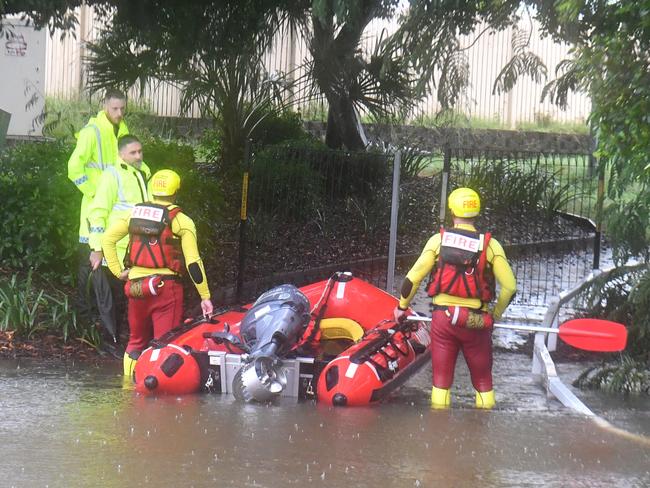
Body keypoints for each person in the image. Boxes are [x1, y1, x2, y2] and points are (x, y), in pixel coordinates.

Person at [394, 187, 516, 409]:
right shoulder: (491, 246)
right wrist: (494, 315)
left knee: (441, 382)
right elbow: (510, 287)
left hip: (444, 321)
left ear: (452, 211)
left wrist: (402, 306)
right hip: (476, 323)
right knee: (483, 382)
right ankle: (483, 426)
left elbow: (413, 278)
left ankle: (440, 429)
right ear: (477, 212)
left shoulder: (437, 241)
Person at [101, 169, 214, 377]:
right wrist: (205, 296)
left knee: (135, 341)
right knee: (165, 342)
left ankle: (128, 388)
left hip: (135, 287)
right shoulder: (181, 221)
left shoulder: (133, 214)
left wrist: (119, 272)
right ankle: (156, 392)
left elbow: (107, 239)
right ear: (176, 192)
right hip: (166, 289)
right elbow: (193, 263)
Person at [67, 89, 129, 342]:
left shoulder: (123, 130)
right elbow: (74, 168)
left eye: (122, 108)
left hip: (113, 213)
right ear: (104, 106)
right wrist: (93, 192)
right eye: (114, 108)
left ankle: (107, 328)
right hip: (95, 211)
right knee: (88, 267)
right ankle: (85, 323)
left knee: (109, 271)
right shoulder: (91, 132)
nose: (119, 113)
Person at [85, 135, 151, 344]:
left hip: (135, 250)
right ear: (121, 154)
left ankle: (126, 344)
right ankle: (110, 344)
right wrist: (96, 248)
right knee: (110, 303)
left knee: (128, 301)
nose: (138, 155)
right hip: (113, 250)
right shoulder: (112, 175)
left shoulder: (143, 172)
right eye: (133, 152)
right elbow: (97, 212)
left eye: (140, 151)